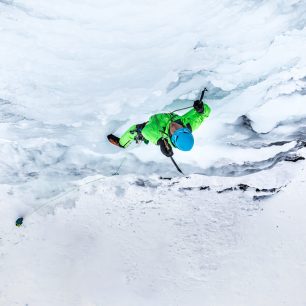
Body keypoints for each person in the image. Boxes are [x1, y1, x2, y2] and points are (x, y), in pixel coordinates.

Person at [107, 99, 211, 157]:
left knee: (135, 130)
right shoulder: (189, 124)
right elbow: (205, 114)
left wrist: (160, 141)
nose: (174, 126)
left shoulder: (161, 138)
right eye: (180, 128)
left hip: (151, 126)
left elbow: (146, 131)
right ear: (187, 130)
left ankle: (122, 144)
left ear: (172, 138)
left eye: (174, 131)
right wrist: (202, 109)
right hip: (160, 120)